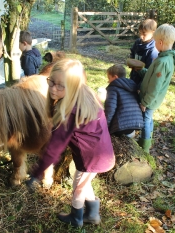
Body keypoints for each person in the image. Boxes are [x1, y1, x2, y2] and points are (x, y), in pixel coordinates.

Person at [26, 59, 115, 227]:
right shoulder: (86, 93)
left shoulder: (69, 113)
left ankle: (76, 218)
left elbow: (54, 148)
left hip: (91, 158)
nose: (53, 88)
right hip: (100, 151)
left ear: (73, 86)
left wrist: (37, 172)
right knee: (84, 183)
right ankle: (93, 214)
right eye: (51, 82)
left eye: (61, 86)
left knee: (78, 187)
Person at [135, 24, 175, 152]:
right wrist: (141, 70)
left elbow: (155, 86)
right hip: (154, 98)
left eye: (155, 41)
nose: (154, 44)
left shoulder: (162, 62)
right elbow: (152, 75)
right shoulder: (166, 58)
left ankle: (144, 147)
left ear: (160, 42)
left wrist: (145, 102)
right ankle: (147, 139)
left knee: (145, 120)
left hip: (151, 99)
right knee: (149, 119)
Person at [104, 64, 143, 138]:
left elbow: (110, 109)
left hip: (121, 126)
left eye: (109, 78)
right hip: (135, 124)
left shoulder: (113, 88)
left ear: (115, 77)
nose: (108, 81)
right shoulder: (132, 85)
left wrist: (105, 126)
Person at [129, 19, 159, 86]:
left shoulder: (153, 50)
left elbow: (149, 72)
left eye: (144, 34)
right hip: (133, 77)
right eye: (140, 33)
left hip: (143, 82)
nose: (141, 36)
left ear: (153, 33)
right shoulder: (137, 42)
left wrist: (140, 87)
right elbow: (132, 53)